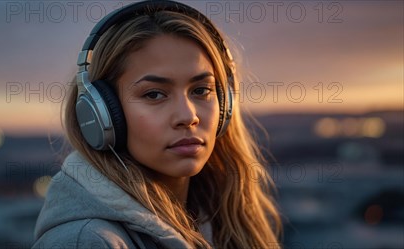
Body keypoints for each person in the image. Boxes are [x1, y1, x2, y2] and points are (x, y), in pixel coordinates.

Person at [33, 1, 281, 248]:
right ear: (103, 112)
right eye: (154, 94)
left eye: (201, 90)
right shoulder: (87, 241)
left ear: (225, 102)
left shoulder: (218, 219)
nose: (188, 116)